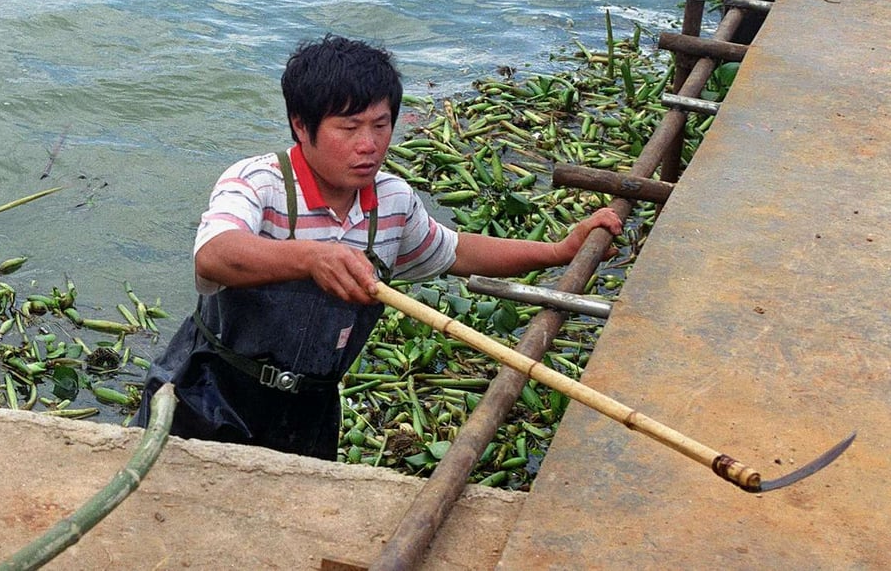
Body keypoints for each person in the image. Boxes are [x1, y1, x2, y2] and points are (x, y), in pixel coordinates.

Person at [132, 34, 622, 459]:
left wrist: (560, 250)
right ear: (301, 126)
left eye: (380, 125)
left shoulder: (392, 202)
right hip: (209, 396)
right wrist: (312, 257)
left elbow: (457, 252)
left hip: (309, 410)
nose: (368, 144)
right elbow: (215, 253)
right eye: (348, 128)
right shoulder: (257, 183)